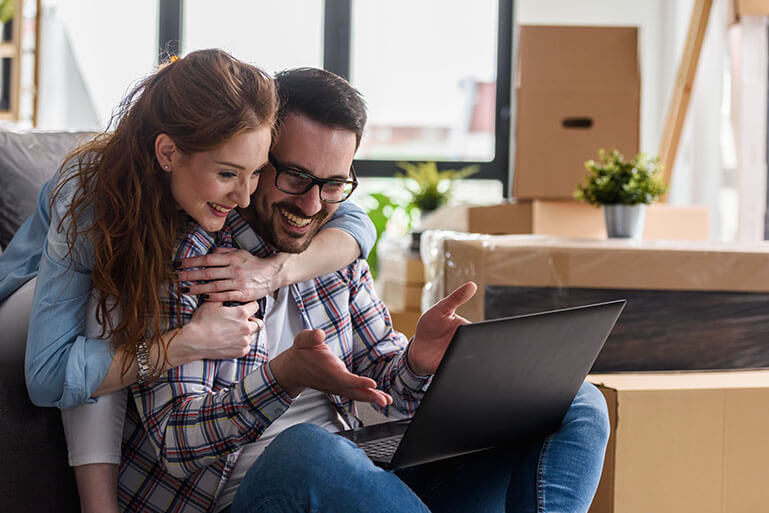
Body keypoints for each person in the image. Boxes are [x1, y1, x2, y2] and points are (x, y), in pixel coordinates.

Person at [115, 67, 611, 513]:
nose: (312, 205)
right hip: (245, 496)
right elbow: (175, 445)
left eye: (333, 184)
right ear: (258, 154)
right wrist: (283, 378)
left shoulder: (333, 256)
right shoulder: (190, 261)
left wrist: (418, 360)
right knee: (307, 451)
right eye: (296, 177)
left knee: (576, 401)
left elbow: (383, 388)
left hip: (362, 483)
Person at [0, 50, 376, 513]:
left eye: (257, 173)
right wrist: (185, 342)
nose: (244, 196)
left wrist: (273, 270)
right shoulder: (92, 194)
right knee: (115, 288)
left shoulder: (231, 152)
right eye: (228, 175)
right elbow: (49, 376)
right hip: (22, 303)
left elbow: (358, 223)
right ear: (167, 153)